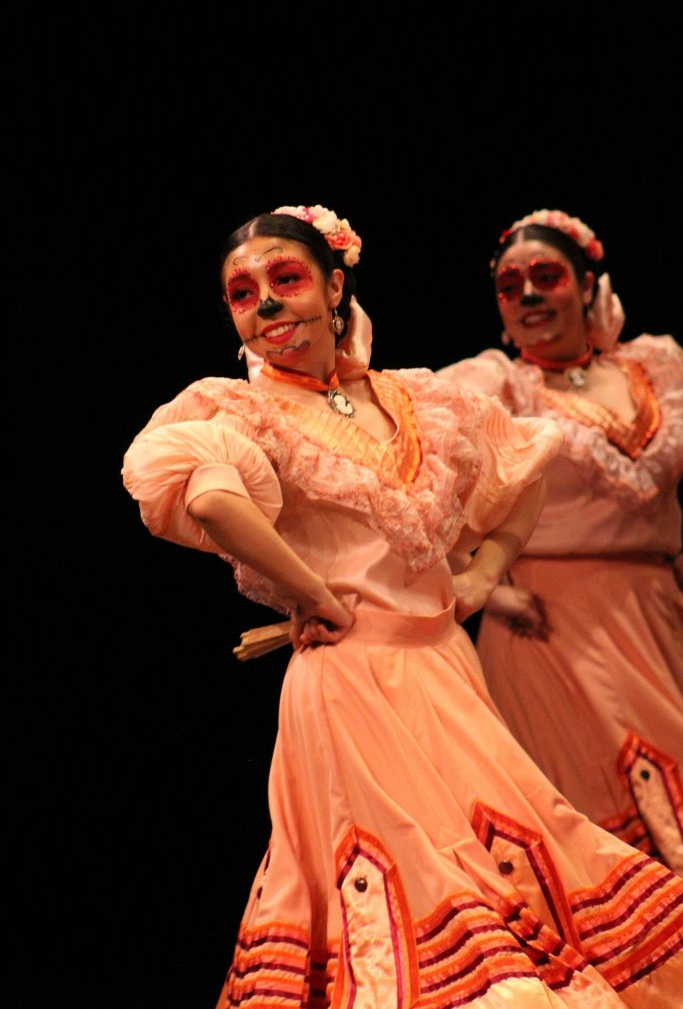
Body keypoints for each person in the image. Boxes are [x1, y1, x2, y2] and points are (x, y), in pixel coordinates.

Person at [123, 204, 683, 1007]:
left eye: (286, 278)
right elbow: (212, 501)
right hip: (350, 685)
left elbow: (521, 466)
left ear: (334, 286)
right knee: (412, 883)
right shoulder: (238, 410)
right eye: (243, 294)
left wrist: (483, 575)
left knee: (514, 861)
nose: (267, 303)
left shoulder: (416, 398)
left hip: (445, 673)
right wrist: (315, 592)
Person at [438, 208, 683, 875]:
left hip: (656, 613)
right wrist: (483, 584)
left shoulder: (653, 367)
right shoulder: (498, 386)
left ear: (587, 285)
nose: (527, 296)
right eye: (508, 286)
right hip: (547, 626)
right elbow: (420, 477)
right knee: (597, 817)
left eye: (545, 277)